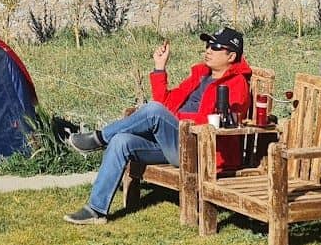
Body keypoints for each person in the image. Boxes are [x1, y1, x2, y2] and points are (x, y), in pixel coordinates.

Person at [62, 26, 252, 225]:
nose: (208, 50)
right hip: (174, 141)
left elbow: (217, 122)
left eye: (215, 47)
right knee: (121, 140)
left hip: (198, 149)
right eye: (207, 44)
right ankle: (96, 210)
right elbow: (165, 103)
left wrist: (173, 118)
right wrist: (159, 67)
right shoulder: (201, 75)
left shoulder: (236, 84)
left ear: (231, 56)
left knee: (153, 110)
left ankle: (99, 138)